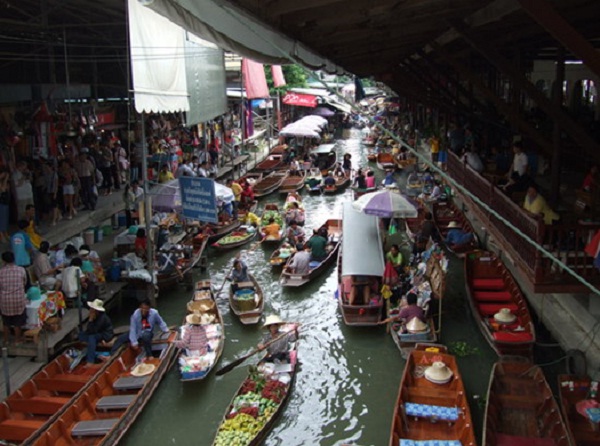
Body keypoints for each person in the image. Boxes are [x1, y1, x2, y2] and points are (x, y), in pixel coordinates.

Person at [0, 252, 28, 345]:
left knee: (6, 321)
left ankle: (6, 340)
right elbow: (24, 283)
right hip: (18, 299)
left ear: (3, 260)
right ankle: (17, 340)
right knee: (17, 321)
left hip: (5, 300)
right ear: (14, 259)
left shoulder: (1, 272)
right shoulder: (21, 270)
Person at [79, 299, 114, 365]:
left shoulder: (102, 318)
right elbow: (89, 330)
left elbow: (93, 331)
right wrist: (91, 320)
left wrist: (90, 320)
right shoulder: (96, 316)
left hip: (105, 334)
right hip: (98, 333)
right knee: (81, 335)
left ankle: (90, 360)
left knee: (92, 337)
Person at [0, 169, 10, 243]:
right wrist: (5, 177)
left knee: (5, 220)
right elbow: (3, 189)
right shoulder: (1, 184)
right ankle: (2, 235)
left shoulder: (5, 183)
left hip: (5, 203)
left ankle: (5, 234)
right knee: (2, 220)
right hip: (1, 204)